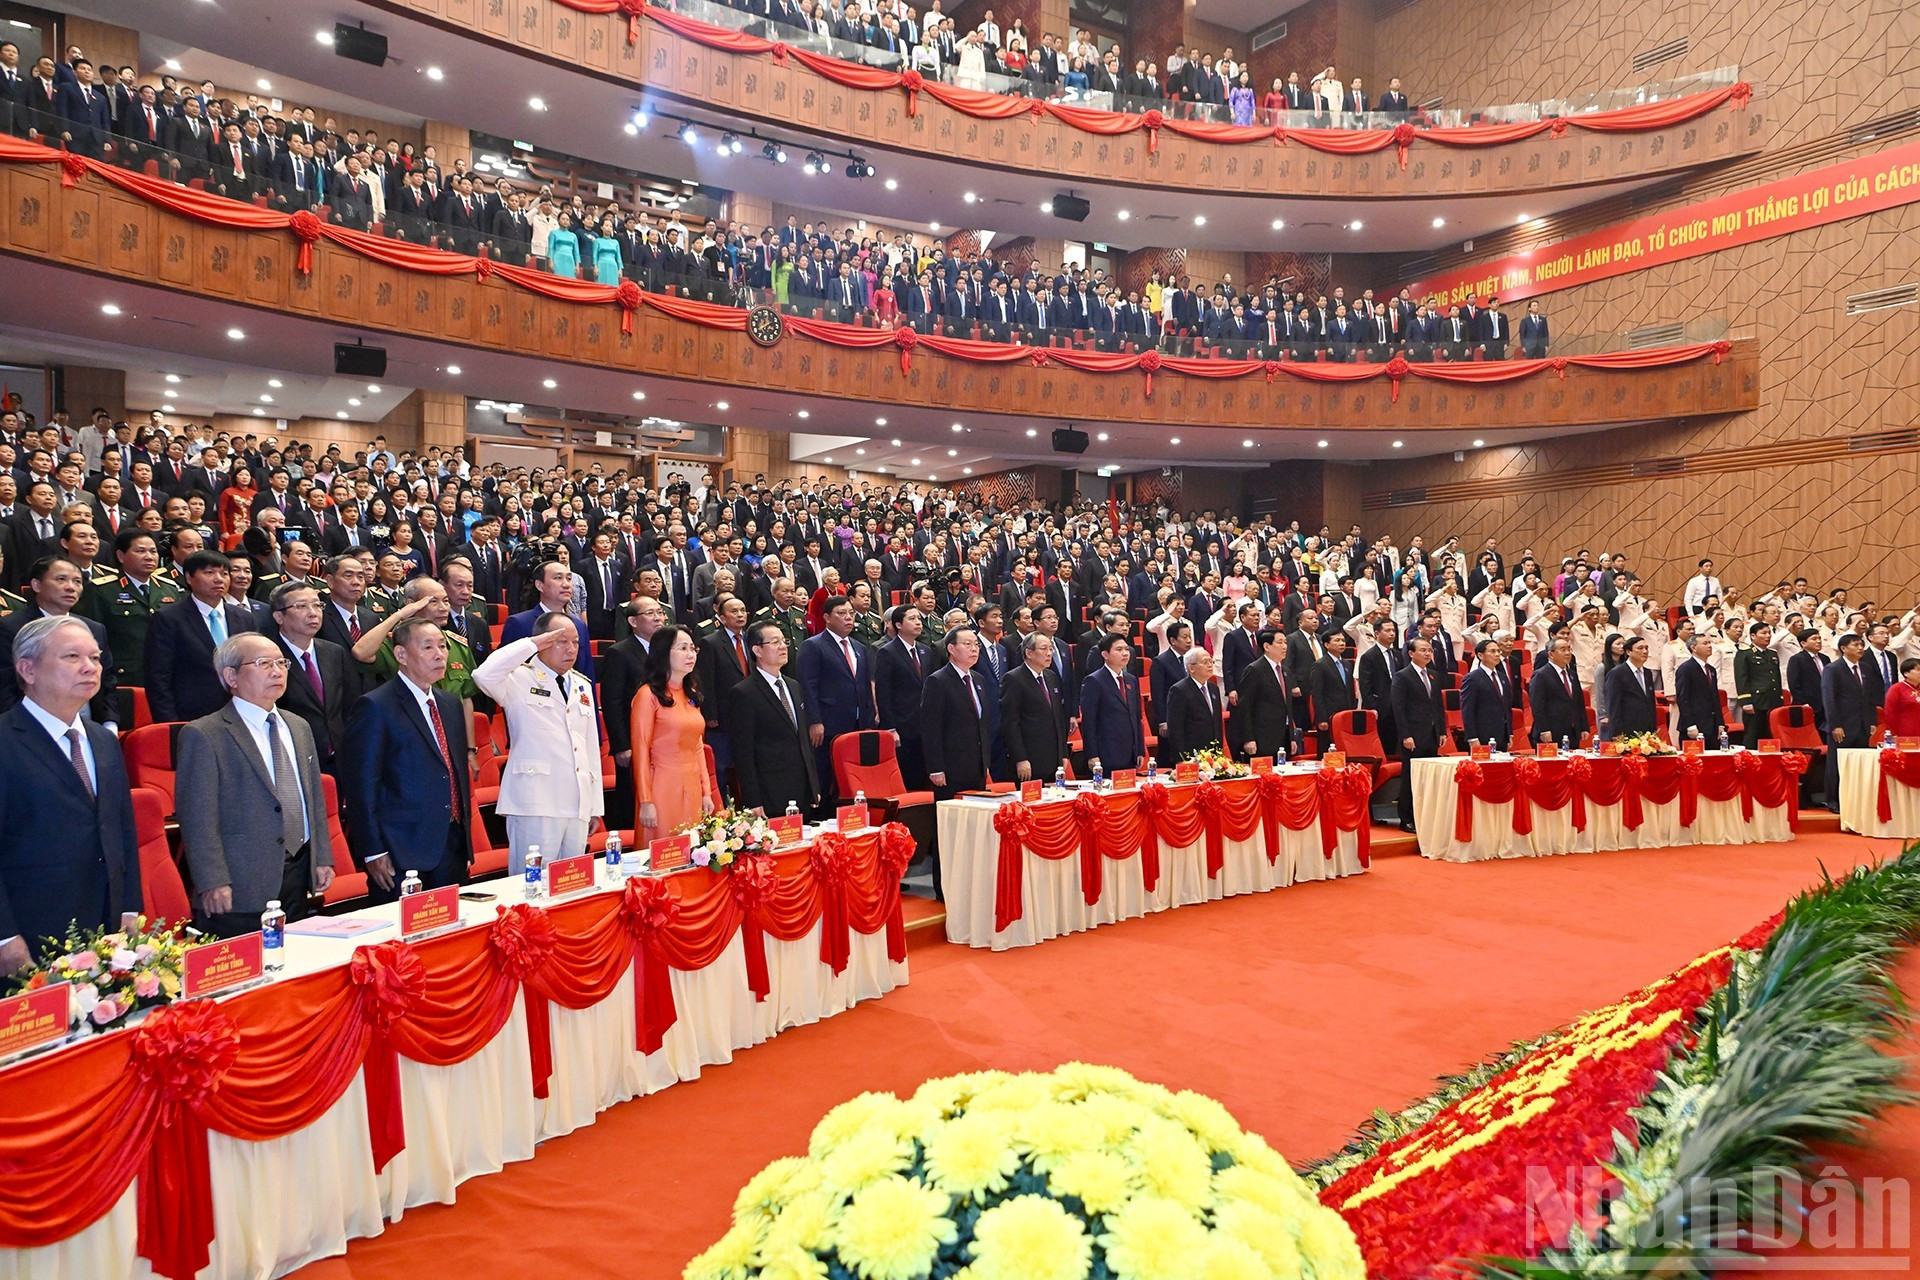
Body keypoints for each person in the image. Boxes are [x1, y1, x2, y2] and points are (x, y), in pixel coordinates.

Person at [0, 616, 140, 972]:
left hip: (104, 926)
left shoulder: (103, 740)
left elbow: (122, 830)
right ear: (28, 669)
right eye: (72, 657)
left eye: (95, 658)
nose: (90, 667)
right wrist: (3, 936)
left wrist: (129, 907)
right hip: (30, 928)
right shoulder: (5, 741)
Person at [175, 633, 333, 936]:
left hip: (297, 874)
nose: (277, 671)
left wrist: (322, 856)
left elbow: (313, 798)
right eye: (263, 664)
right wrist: (212, 879)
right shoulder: (205, 734)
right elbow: (197, 817)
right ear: (231, 676)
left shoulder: (298, 726)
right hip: (240, 883)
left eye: (281, 663)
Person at [341, 615, 473, 901]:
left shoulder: (449, 704)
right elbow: (362, 785)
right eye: (428, 647)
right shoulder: (375, 706)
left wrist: (465, 842)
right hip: (401, 848)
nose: (439, 654)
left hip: (451, 843)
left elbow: (454, 773)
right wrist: (373, 850)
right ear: (401, 655)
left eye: (443, 646)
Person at [473, 612, 604, 873]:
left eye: (575, 642)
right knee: (530, 883)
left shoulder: (581, 685)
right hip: (535, 801)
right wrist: (530, 644)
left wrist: (594, 806)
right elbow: (482, 675)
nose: (571, 649)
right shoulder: (518, 678)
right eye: (561, 641)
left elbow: (590, 748)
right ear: (543, 642)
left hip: (577, 800)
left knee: (571, 881)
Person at [144, 549, 257, 723]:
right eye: (209, 572)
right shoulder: (169, 618)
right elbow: (158, 677)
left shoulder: (244, 618)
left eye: (224, 573)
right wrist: (170, 722)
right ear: (189, 578)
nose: (218, 579)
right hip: (190, 716)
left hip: (241, 712)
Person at [724, 619, 819, 817]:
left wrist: (813, 785)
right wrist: (753, 799)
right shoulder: (744, 692)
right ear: (757, 650)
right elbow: (743, 752)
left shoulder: (793, 686)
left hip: (801, 788)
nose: (783, 646)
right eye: (775, 642)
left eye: (784, 641)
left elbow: (803, 739)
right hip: (770, 790)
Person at [632, 624, 714, 844]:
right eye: (683, 648)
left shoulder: (691, 693)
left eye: (693, 649)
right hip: (662, 786)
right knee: (665, 851)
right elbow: (640, 750)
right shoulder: (647, 695)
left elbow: (697, 746)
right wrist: (646, 800)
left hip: (692, 785)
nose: (691, 654)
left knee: (693, 849)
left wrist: (706, 792)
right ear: (663, 652)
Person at [797, 594, 879, 804]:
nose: (848, 617)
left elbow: (864, 686)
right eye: (841, 613)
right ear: (826, 617)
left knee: (853, 780)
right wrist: (815, 721)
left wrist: (869, 720)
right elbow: (808, 687)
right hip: (828, 724)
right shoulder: (813, 646)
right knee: (825, 778)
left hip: (857, 724)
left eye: (851, 613)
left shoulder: (859, 647)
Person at [267, 581, 349, 773]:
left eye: (317, 605)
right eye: (301, 606)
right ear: (279, 616)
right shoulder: (268, 658)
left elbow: (348, 703)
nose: (313, 613)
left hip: (339, 759)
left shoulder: (334, 652)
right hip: (292, 759)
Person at [601, 596, 665, 824]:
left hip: (663, 741)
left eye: (660, 612)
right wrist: (621, 745)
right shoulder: (619, 652)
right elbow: (612, 702)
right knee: (632, 800)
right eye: (650, 613)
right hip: (634, 740)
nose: (658, 618)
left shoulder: (667, 651)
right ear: (633, 621)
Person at [920, 628, 994, 800]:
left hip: (977, 767)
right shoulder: (938, 681)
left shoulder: (978, 679)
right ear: (951, 648)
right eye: (967, 644)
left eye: (976, 644)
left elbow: (982, 724)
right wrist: (936, 768)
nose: (974, 649)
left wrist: (985, 762)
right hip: (950, 768)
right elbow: (931, 728)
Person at [500, 558, 595, 678]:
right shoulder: (520, 624)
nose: (566, 584)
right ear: (539, 585)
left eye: (569, 579)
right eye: (558, 578)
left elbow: (586, 672)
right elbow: (504, 669)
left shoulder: (579, 625)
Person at [1389, 637, 1446, 832]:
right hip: (1413, 735)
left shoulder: (1433, 675)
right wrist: (1405, 735)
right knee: (1411, 777)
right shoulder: (1402, 676)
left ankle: (1425, 816)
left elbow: (1438, 706)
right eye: (1423, 650)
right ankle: (1406, 818)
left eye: (1429, 650)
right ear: (1411, 653)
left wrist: (1442, 730)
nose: (1428, 653)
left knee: (1428, 778)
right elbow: (1399, 709)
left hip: (1431, 734)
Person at [1000, 631, 1068, 783]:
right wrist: (1020, 758)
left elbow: (1058, 718)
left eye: (1051, 649)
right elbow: (1010, 723)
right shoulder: (1013, 679)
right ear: (1029, 653)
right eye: (1044, 649)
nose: (1049, 653)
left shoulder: (1051, 677)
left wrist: (1063, 754)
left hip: (1053, 758)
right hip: (1029, 758)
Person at [1821, 633, 1876, 809]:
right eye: (1856, 645)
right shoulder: (1833, 669)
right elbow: (1829, 699)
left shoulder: (1866, 668)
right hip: (1842, 725)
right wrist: (1835, 725)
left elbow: (1870, 697)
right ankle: (1834, 801)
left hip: (1862, 724)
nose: (1860, 648)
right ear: (1843, 648)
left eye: (1861, 645)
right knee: (1837, 764)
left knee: (1858, 764)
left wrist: (1872, 721)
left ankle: (1856, 801)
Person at [1079, 633, 1146, 775]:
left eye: (1126, 649)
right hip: (1106, 753)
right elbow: (1089, 721)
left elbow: (1136, 716)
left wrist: (1140, 750)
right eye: (1119, 649)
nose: (1125, 653)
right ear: (1105, 654)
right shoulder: (1094, 680)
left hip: (1130, 753)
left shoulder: (1131, 680)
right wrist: (1092, 754)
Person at [1235, 628, 1293, 761]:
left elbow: (1287, 706)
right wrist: (1248, 738)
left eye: (1285, 642)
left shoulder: (1285, 671)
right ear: (1267, 646)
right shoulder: (1254, 670)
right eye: (1280, 642)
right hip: (1262, 737)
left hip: (1283, 736)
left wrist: (1292, 737)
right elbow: (1244, 706)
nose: (1285, 646)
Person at [1161, 646, 1225, 760]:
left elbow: (1217, 723)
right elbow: (1176, 728)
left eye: (1211, 661)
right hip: (1191, 755)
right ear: (1191, 668)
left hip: (1213, 754)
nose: (1210, 665)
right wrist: (1181, 758)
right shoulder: (1179, 690)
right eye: (1205, 662)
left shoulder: (1214, 688)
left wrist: (1219, 752)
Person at [1527, 636, 1587, 747]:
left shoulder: (1572, 674)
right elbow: (1537, 705)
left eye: (1569, 649)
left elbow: (1579, 702)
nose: (1568, 653)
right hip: (1551, 731)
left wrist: (1583, 727)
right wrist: (1543, 729)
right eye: (1563, 650)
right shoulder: (1541, 675)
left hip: (1572, 731)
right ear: (1551, 654)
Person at [1734, 621, 1785, 747]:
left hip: (1772, 700)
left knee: (1770, 736)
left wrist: (1780, 698)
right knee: (1753, 735)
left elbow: (1776, 678)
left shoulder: (1772, 654)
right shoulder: (1745, 653)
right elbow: (1741, 678)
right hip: (1756, 701)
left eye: (1769, 633)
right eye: (1763, 633)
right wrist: (1745, 701)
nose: (1768, 636)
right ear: (1753, 636)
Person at [1672, 633, 1727, 743]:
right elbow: (1683, 699)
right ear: (1694, 648)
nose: (1709, 646)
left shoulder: (1711, 669)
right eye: (1705, 643)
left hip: (1712, 726)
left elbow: (1715, 698)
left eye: (1710, 643)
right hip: (1694, 727)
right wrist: (1690, 725)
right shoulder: (1686, 668)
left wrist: (1720, 723)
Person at [1459, 638, 1513, 748]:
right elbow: (1468, 710)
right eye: (1492, 651)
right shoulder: (1472, 678)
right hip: (1482, 734)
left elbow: (1507, 707)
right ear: (1480, 655)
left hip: (1502, 734)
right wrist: (1472, 737)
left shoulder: (1502, 677)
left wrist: (1509, 733)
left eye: (1498, 651)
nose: (1497, 654)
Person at [1603, 636, 1659, 741]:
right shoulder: (1617, 673)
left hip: (1647, 732)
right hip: (1626, 731)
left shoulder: (1648, 673)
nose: (1645, 651)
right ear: (1629, 652)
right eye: (1640, 648)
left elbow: (1650, 704)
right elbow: (1613, 705)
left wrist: (1653, 732)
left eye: (1646, 648)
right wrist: (1617, 734)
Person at [1308, 630, 1357, 738]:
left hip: (1346, 713)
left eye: (1343, 640)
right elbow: (1317, 694)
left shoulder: (1347, 664)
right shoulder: (1320, 665)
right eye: (1337, 640)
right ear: (1326, 645)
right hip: (1329, 715)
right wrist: (1322, 718)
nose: (1342, 643)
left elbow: (1350, 691)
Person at [1882, 659, 1920, 740]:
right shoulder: (1896, 689)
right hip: (1905, 733)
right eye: (1918, 669)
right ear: (1906, 673)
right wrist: (1893, 733)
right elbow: (1890, 712)